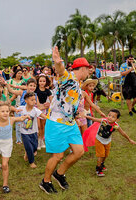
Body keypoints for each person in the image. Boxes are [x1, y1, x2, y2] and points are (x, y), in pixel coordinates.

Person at [39, 47, 91, 194]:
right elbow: (61, 71)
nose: (89, 72)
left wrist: (78, 112)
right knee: (58, 156)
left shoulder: (79, 83)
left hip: (70, 123)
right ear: (82, 68)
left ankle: (59, 174)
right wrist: (57, 62)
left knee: (79, 151)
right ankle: (45, 181)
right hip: (56, 123)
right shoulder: (69, 77)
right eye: (88, 69)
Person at [84, 109, 136, 176]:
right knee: (101, 155)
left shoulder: (116, 125)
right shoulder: (104, 121)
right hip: (99, 140)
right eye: (109, 115)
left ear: (117, 120)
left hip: (107, 141)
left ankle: (102, 164)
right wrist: (85, 116)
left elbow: (123, 133)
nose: (110, 117)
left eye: (113, 117)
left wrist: (129, 140)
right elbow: (94, 119)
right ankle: (98, 169)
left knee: (106, 155)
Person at [18, 92, 47, 168]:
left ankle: (28, 153)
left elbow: (43, 116)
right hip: (24, 132)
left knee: (34, 147)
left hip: (34, 132)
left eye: (35, 100)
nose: (34, 102)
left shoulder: (35, 110)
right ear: (26, 100)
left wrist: (51, 119)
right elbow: (13, 110)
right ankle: (31, 162)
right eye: (32, 100)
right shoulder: (21, 109)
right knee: (29, 147)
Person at [35, 74, 52, 149]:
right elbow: (37, 102)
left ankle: (41, 141)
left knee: (43, 126)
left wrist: (49, 104)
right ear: (38, 82)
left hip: (44, 109)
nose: (42, 83)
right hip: (36, 108)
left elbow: (52, 101)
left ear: (46, 82)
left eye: (43, 81)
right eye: (40, 81)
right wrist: (40, 107)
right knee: (38, 126)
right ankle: (38, 141)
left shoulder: (47, 91)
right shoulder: (36, 90)